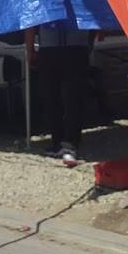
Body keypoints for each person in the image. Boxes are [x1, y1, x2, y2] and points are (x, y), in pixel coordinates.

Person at [24, 22, 92, 167]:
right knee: (62, 98)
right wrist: (30, 50)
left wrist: (30, 50)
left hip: (62, 48)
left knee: (64, 98)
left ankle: (65, 144)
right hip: (65, 48)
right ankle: (62, 143)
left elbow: (29, 23)